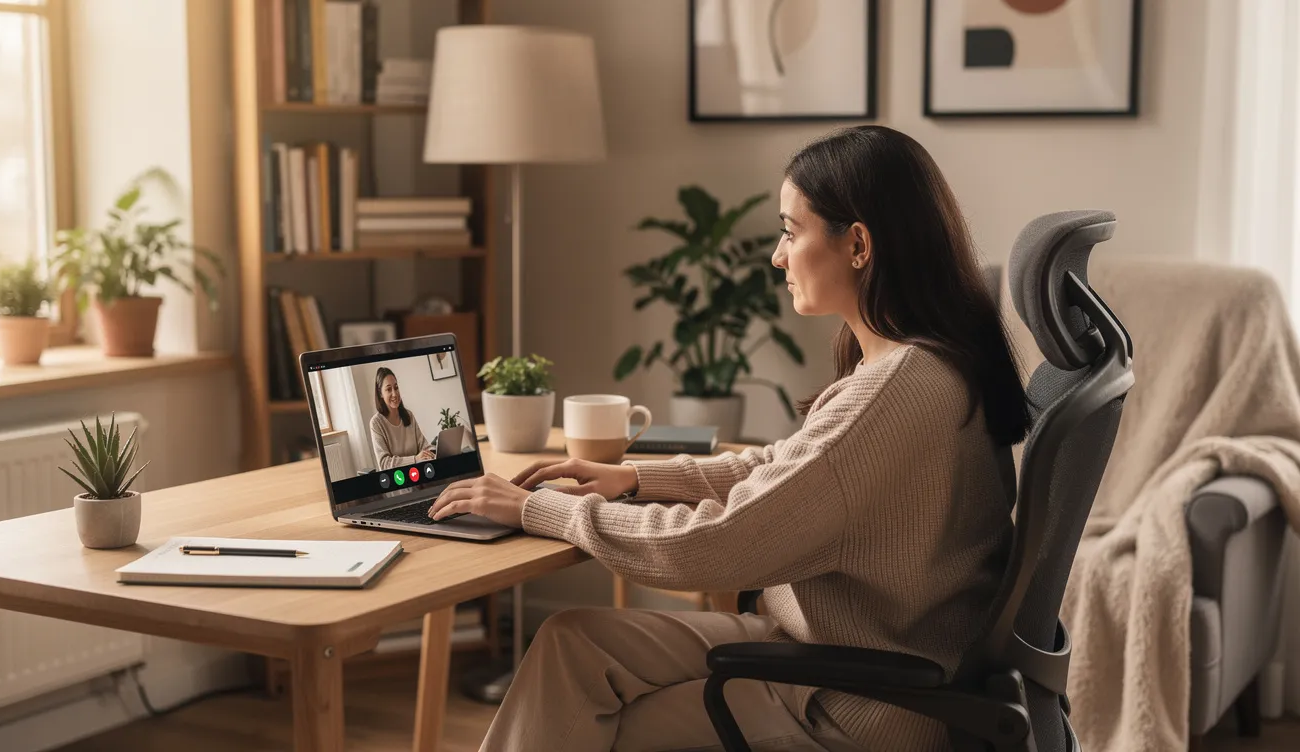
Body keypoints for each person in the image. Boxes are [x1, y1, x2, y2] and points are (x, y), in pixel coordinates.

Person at [429, 125, 1033, 752]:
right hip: (831, 654)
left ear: (857, 244)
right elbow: (793, 468)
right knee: (570, 645)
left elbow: (713, 546)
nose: (777, 256)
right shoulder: (917, 363)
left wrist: (538, 510)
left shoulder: (897, 391)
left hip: (854, 704)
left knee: (578, 722)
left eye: (791, 231)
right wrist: (637, 478)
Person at [369, 367, 435, 469]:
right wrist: (415, 459)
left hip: (419, 474)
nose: (394, 394)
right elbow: (384, 463)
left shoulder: (408, 415)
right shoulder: (376, 423)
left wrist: (432, 452)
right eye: (388, 389)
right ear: (380, 393)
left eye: (396, 387)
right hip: (398, 480)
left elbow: (424, 445)